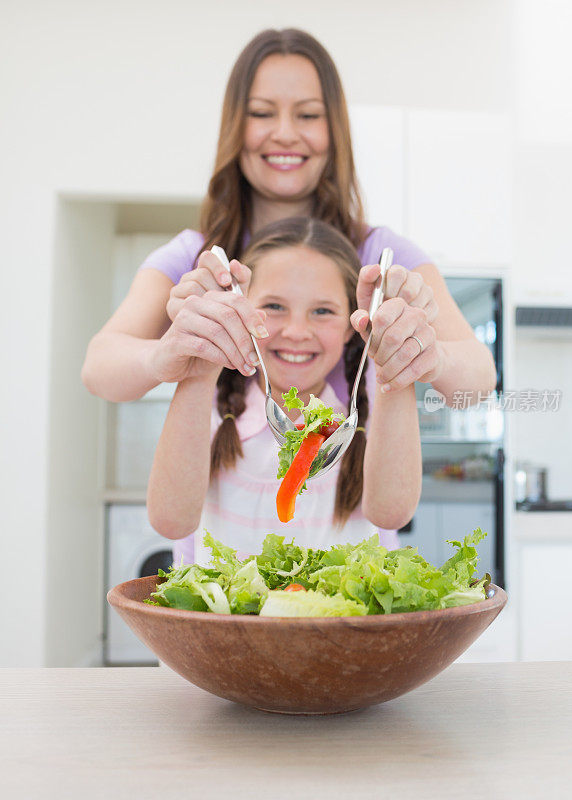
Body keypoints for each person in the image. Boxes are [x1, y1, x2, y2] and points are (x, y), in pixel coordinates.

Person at [81, 27, 496, 413]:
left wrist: (430, 354)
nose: (284, 133)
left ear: (334, 131)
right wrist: (163, 354)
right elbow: (99, 368)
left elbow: (478, 383)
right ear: (235, 127)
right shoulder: (194, 258)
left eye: (308, 115)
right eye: (262, 113)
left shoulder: (382, 258)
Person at [147, 217, 428, 561]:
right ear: (244, 310)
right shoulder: (212, 411)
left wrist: (392, 359)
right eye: (275, 307)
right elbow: (170, 522)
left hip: (346, 618)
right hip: (225, 617)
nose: (297, 331)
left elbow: (392, 513)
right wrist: (201, 371)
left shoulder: (366, 424)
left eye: (323, 310)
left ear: (351, 326)